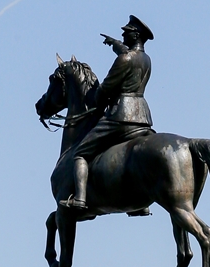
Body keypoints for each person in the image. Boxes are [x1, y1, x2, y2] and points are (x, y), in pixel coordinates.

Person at [60, 15, 154, 213]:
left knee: (80, 153)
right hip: (143, 119)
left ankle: (79, 198)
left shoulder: (124, 59)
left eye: (126, 32)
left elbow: (106, 88)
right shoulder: (146, 59)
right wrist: (115, 44)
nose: (123, 33)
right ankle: (139, 206)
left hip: (120, 116)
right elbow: (129, 55)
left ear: (135, 34)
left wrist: (97, 100)